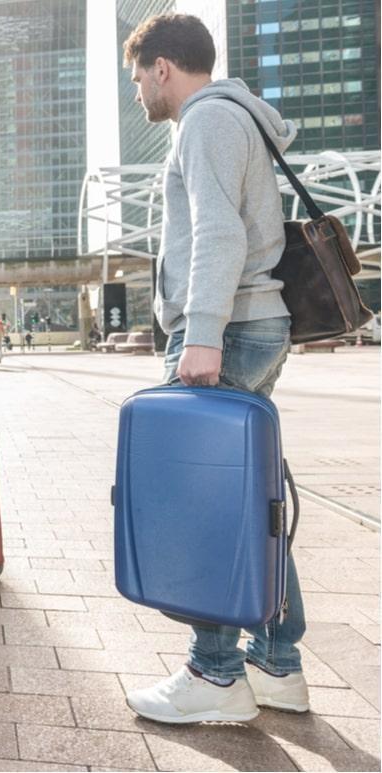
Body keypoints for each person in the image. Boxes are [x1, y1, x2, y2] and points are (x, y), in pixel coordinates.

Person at [119, 13, 304, 724]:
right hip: (245, 324)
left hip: (224, 331)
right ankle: (276, 661)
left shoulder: (205, 121)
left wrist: (200, 334)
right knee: (250, 500)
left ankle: (217, 673)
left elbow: (218, 232)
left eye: (138, 74)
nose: (137, 90)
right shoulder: (233, 117)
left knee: (206, 502)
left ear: (163, 67)